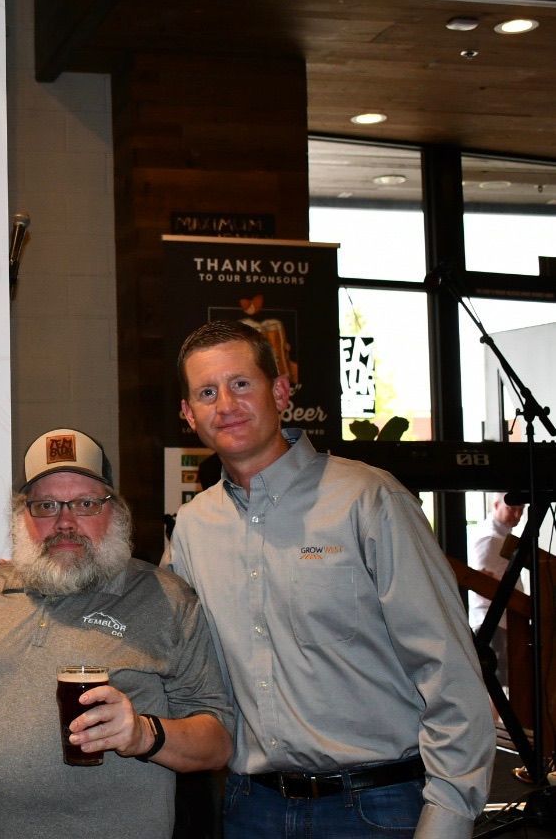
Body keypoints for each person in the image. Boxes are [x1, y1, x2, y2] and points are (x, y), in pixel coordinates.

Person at [172, 319, 495, 839]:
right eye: (207, 392)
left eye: (241, 384)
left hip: (379, 808)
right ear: (189, 415)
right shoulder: (192, 528)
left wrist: (449, 819)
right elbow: (173, 650)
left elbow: (449, 669)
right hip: (251, 810)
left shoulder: (369, 500)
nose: (225, 405)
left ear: (280, 391)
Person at [0, 427, 234, 839]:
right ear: (21, 516)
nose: (65, 522)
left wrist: (143, 733)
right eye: (46, 505)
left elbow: (218, 742)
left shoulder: (167, 600)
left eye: (85, 503)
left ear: (115, 512)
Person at [469, 492, 526, 691]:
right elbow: (481, 582)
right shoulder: (489, 538)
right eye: (512, 508)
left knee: (502, 684)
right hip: (493, 621)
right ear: (495, 505)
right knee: (497, 685)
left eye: (521, 510)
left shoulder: (503, 537)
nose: (517, 515)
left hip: (504, 620)